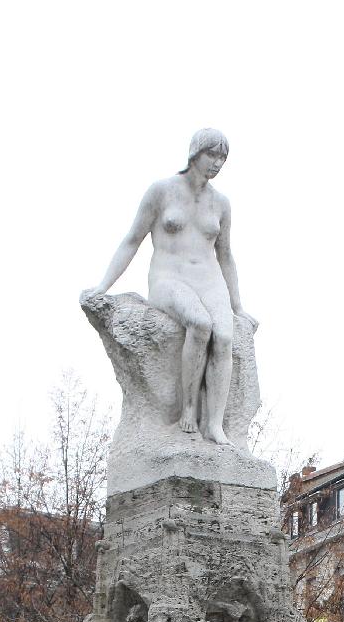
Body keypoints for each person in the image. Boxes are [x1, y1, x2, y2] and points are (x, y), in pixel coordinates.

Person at [86, 128, 257, 443]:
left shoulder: (221, 204)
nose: (217, 163)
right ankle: (189, 409)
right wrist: (102, 286)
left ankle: (214, 424)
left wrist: (238, 306)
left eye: (223, 157)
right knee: (200, 323)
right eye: (212, 154)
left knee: (223, 336)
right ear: (195, 153)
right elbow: (132, 240)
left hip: (209, 279)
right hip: (169, 278)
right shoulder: (161, 191)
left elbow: (226, 255)